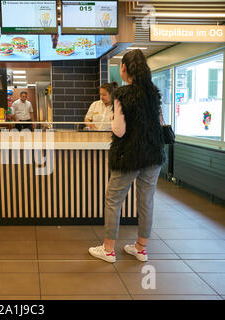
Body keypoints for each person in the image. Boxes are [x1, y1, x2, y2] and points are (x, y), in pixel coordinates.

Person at [88, 49, 166, 263]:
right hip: (153, 155)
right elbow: (159, 124)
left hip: (129, 156)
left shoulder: (122, 94)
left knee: (113, 199)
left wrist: (113, 116)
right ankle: (141, 249)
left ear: (124, 68)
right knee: (146, 201)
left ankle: (109, 250)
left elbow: (120, 131)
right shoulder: (154, 93)